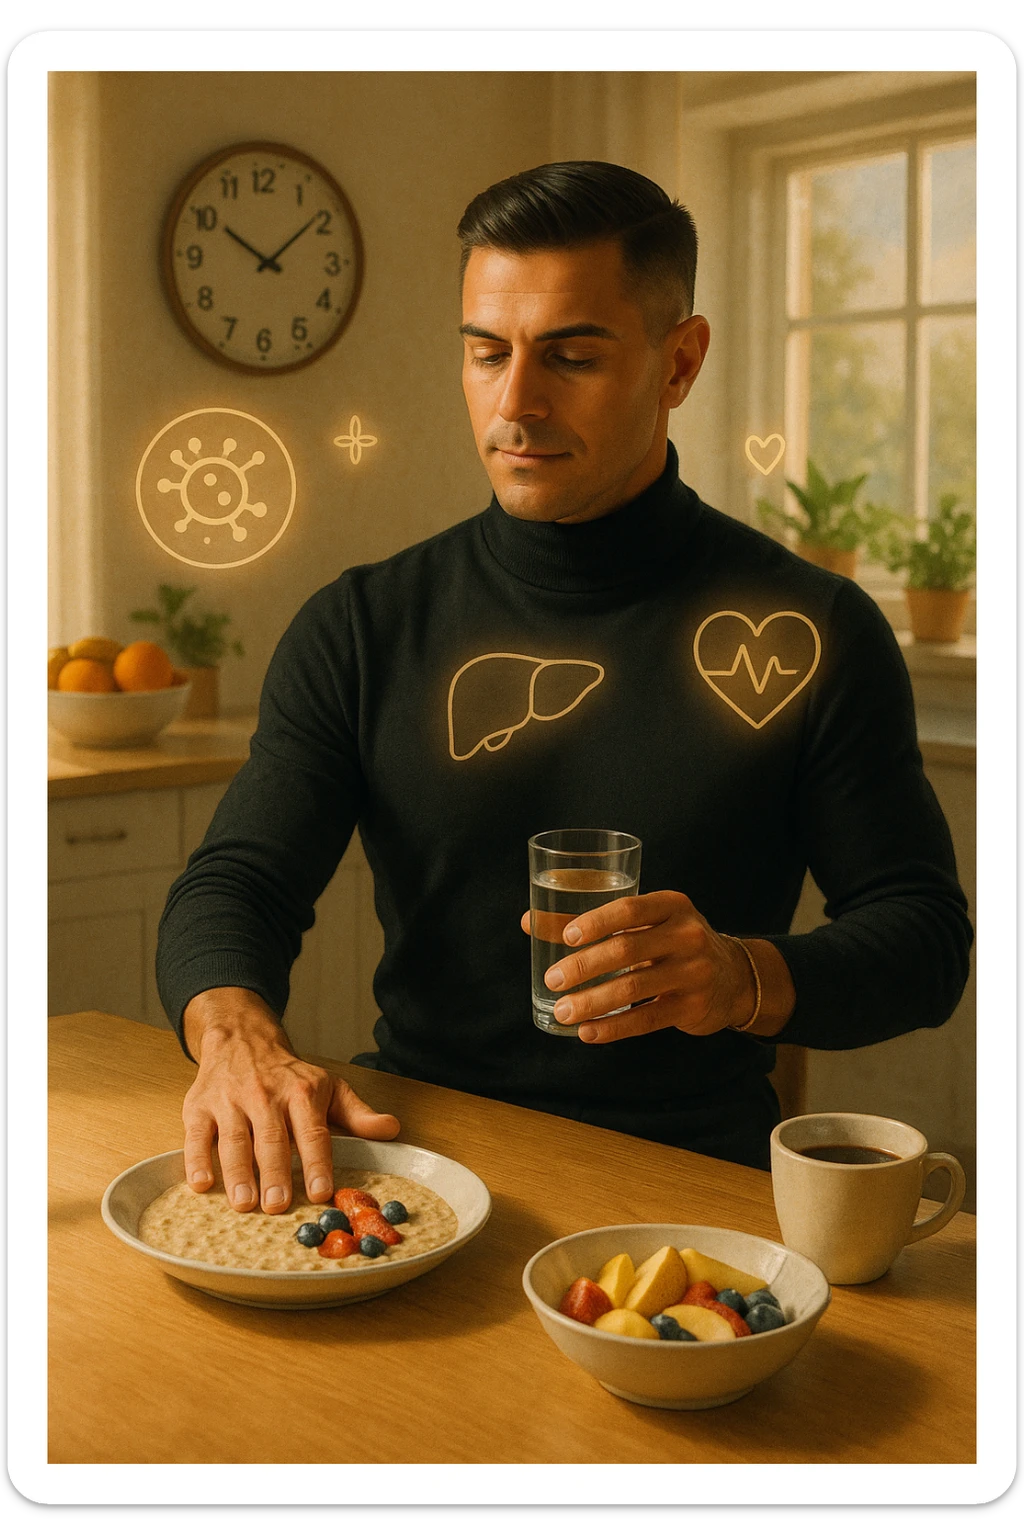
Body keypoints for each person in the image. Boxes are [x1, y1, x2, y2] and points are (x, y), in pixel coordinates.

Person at [157, 161, 972, 1215]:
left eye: (572, 356)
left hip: (696, 1182)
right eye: (486, 353)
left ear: (680, 363)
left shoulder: (814, 627)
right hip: (416, 1171)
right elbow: (237, 888)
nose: (516, 403)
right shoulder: (363, 626)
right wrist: (235, 1040)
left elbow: (922, 939)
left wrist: (741, 977)